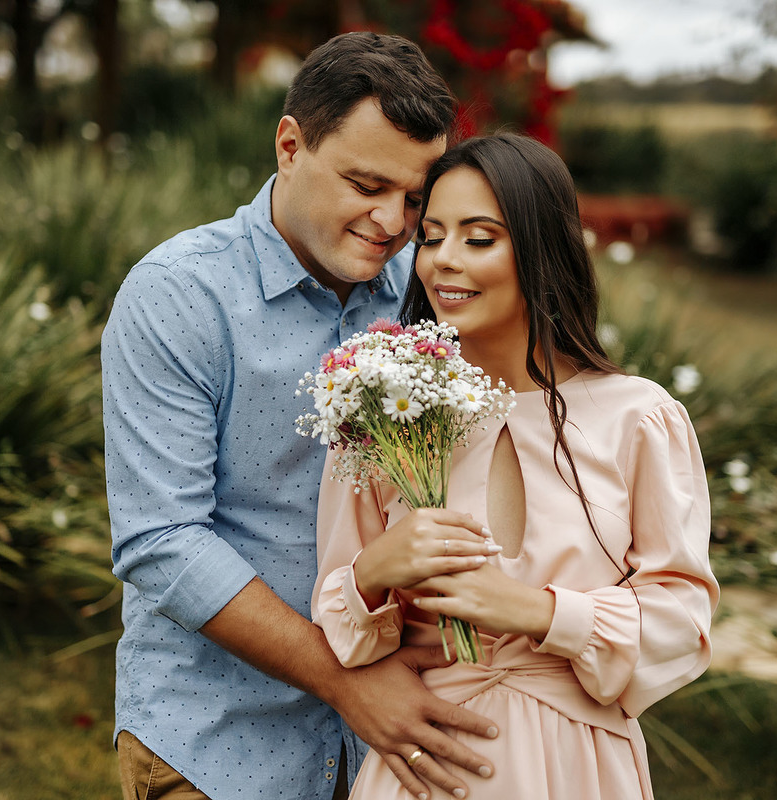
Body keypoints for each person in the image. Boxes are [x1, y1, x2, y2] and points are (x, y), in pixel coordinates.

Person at [102, 32, 503, 800]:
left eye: (415, 198)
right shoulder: (178, 296)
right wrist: (347, 682)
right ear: (290, 145)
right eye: (366, 184)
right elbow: (162, 542)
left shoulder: (425, 294)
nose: (392, 222)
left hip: (395, 757)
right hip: (216, 746)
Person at [312, 132, 720, 799]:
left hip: (579, 767)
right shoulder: (387, 408)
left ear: (540, 250)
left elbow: (680, 627)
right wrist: (377, 568)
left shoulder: (638, 418)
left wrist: (538, 612)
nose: (444, 262)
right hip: (426, 765)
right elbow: (343, 630)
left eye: (479, 238)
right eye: (433, 236)